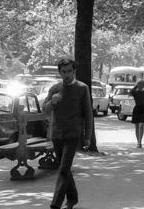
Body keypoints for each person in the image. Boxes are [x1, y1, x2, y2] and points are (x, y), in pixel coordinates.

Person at [43, 58, 93, 209]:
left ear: (74, 71)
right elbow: (44, 110)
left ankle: (55, 205)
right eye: (63, 72)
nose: (66, 75)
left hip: (73, 134)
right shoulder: (55, 89)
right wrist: (52, 102)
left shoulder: (82, 88)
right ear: (59, 72)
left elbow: (88, 113)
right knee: (64, 168)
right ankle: (72, 198)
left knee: (64, 169)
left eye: (69, 71)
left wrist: (87, 136)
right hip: (57, 134)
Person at [130, 80, 144, 148]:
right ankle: (138, 142)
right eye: (140, 84)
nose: (141, 85)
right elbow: (131, 91)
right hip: (137, 109)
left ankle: (140, 142)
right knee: (137, 126)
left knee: (141, 125)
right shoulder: (135, 92)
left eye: (142, 84)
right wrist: (136, 85)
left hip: (143, 109)